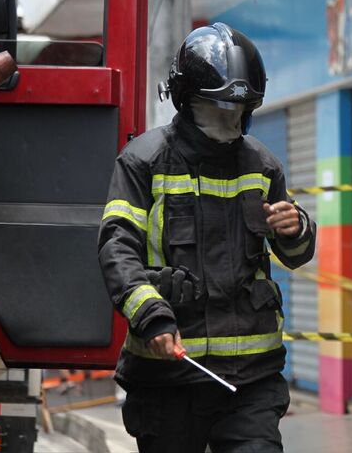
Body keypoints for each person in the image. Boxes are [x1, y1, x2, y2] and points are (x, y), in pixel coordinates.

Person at [98, 22, 316, 453]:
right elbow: (116, 246)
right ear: (187, 101)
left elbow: (294, 254)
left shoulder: (263, 166)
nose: (230, 120)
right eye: (218, 109)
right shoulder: (144, 161)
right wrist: (151, 317)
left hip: (251, 380)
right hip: (170, 378)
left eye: (238, 110)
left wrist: (296, 229)